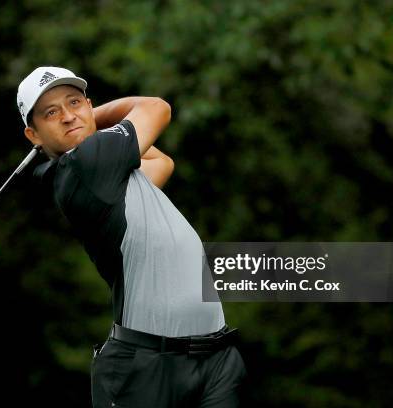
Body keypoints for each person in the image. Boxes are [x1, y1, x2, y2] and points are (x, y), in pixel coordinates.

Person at [17, 66, 247, 407]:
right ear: (33, 135)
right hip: (147, 365)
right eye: (52, 113)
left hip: (214, 358)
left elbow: (161, 162)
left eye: (74, 102)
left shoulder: (109, 176)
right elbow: (157, 108)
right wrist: (90, 116)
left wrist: (83, 122)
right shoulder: (83, 164)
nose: (68, 116)